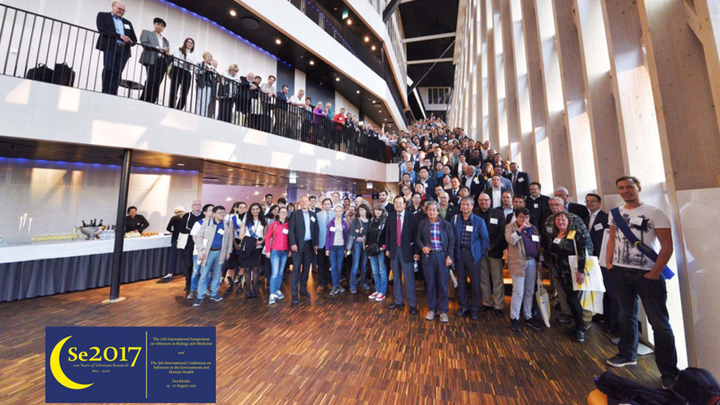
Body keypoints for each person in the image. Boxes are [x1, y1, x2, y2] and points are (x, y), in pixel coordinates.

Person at [605, 176, 679, 389]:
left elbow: (667, 246)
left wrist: (655, 273)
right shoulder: (615, 213)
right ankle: (627, 354)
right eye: (621, 188)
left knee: (659, 324)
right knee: (626, 315)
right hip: (620, 272)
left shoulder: (655, 212)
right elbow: (612, 240)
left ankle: (669, 372)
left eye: (629, 187)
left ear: (638, 188)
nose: (625, 191)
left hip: (647, 274)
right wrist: (610, 263)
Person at [549, 211, 588, 342]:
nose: (560, 222)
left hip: (573, 273)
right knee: (569, 299)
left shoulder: (575, 234)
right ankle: (577, 324)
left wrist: (581, 271)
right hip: (560, 273)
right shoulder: (555, 235)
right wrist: (554, 272)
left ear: (568, 222)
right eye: (558, 219)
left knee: (573, 299)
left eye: (563, 220)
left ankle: (581, 328)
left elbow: (582, 253)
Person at [505, 207, 543, 332]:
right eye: (521, 217)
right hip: (518, 263)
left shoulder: (533, 228)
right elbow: (511, 240)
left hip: (532, 261)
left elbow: (538, 245)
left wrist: (539, 260)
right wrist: (520, 229)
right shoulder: (510, 227)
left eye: (526, 217)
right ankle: (514, 318)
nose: (524, 219)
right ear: (516, 217)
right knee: (518, 291)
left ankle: (528, 316)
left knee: (529, 291)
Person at [416, 201, 455, 323]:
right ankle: (432, 309)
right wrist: (422, 247)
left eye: (434, 210)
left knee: (443, 284)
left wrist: (450, 257)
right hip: (428, 257)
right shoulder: (422, 224)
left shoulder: (446, 224)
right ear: (426, 211)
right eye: (429, 210)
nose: (431, 212)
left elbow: (452, 241)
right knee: (430, 283)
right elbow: (418, 238)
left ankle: (443, 311)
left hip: (442, 256)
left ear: (438, 212)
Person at [452, 196, 490, 320]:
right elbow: (452, 237)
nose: (465, 207)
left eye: (468, 205)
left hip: (473, 255)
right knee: (461, 282)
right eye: (463, 204)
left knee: (475, 283)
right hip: (459, 254)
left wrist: (480, 253)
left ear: (472, 206)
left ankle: (475, 308)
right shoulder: (455, 219)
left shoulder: (479, 221)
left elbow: (485, 239)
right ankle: (463, 306)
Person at [584, 193, 618, 334]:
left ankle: (613, 322)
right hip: (592, 259)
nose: (590, 203)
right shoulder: (586, 218)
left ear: (600, 203)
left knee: (610, 290)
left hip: (604, 259)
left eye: (593, 201)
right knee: (597, 289)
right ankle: (601, 314)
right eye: (587, 201)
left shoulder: (606, 218)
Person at [385, 196, 420, 314]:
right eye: (396, 203)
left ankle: (412, 304)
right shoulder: (390, 217)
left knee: (409, 279)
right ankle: (398, 300)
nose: (398, 205)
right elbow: (388, 234)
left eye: (400, 203)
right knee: (396, 277)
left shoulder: (411, 217)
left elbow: (416, 235)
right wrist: (387, 249)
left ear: (405, 204)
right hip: (394, 251)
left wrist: (416, 252)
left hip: (408, 251)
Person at [193, 206, 234, 307]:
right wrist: (200, 250)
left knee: (217, 274)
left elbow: (229, 239)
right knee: (204, 275)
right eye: (219, 212)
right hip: (208, 253)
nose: (222, 214)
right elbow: (199, 237)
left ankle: (214, 294)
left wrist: (228, 251)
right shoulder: (207, 223)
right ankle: (200, 296)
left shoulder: (227, 224)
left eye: (223, 212)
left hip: (220, 252)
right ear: (214, 214)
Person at [474, 193, 506, 317]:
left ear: (490, 201)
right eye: (481, 200)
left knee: (497, 279)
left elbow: (502, 232)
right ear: (478, 201)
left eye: (486, 200)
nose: (483, 202)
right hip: (480, 251)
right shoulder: (474, 212)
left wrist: (492, 245)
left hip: (494, 250)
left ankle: (499, 305)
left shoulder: (498, 214)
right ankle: (487, 302)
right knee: (483, 279)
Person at [95, 1, 137, 95]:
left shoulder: (127, 22)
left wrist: (130, 41)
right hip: (110, 46)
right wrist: (119, 36)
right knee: (108, 68)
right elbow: (102, 29)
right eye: (119, 9)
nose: (121, 11)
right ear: (112, 7)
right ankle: (105, 91)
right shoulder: (103, 16)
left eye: (123, 10)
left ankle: (113, 93)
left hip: (124, 49)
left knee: (118, 72)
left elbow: (134, 39)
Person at [288, 195, 319, 304]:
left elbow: (315, 230)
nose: (305, 203)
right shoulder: (295, 214)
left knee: (306, 268)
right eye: (302, 201)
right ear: (300, 203)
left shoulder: (313, 215)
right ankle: (294, 294)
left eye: (306, 201)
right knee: (296, 269)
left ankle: (303, 289)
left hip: (309, 245)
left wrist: (316, 243)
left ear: (309, 202)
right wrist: (293, 243)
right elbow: (291, 230)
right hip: (297, 245)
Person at [237, 203, 267, 299]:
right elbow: (241, 236)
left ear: (260, 210)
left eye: (257, 209)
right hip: (247, 248)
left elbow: (265, 235)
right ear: (250, 210)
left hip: (257, 248)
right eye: (253, 209)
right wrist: (251, 242)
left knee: (255, 268)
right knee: (247, 269)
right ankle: (248, 291)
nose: (255, 211)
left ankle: (254, 290)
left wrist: (261, 241)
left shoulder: (264, 221)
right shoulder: (246, 221)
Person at [138, 17, 170, 103]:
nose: (160, 27)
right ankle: (143, 99)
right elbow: (144, 43)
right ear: (154, 24)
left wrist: (167, 53)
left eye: (162, 26)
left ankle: (152, 100)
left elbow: (167, 50)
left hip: (162, 61)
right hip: (151, 58)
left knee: (158, 82)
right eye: (158, 24)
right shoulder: (147, 33)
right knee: (151, 79)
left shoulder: (165, 40)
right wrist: (159, 47)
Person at [265, 206, 290, 305]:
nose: (283, 213)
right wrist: (268, 250)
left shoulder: (288, 225)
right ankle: (271, 293)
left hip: (285, 252)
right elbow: (267, 237)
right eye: (281, 212)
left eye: (285, 212)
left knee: (280, 272)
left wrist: (290, 250)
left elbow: (290, 238)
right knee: (275, 273)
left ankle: (277, 289)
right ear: (278, 213)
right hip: (275, 251)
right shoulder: (274, 224)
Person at [180, 200, 204, 295]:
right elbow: (181, 228)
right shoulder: (187, 216)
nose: (197, 206)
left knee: (201, 265)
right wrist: (194, 232)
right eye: (195, 204)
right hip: (189, 243)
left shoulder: (204, 216)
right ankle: (188, 284)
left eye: (199, 204)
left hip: (201, 243)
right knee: (188, 264)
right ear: (192, 206)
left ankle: (200, 285)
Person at [325, 205, 349, 296]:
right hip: (332, 248)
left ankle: (337, 284)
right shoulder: (330, 223)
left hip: (341, 247)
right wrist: (327, 248)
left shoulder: (344, 223)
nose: (337, 213)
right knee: (333, 267)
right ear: (334, 212)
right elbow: (327, 236)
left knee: (339, 267)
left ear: (342, 212)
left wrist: (345, 248)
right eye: (336, 211)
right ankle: (335, 286)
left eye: (339, 211)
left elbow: (346, 237)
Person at [347, 203, 372, 293]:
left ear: (366, 211)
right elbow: (352, 232)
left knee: (364, 265)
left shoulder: (369, 221)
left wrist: (360, 232)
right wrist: (361, 233)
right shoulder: (356, 220)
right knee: (355, 264)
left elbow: (369, 232)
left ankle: (363, 283)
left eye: (363, 210)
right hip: (356, 244)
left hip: (365, 244)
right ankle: (352, 285)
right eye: (360, 210)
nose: (361, 212)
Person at [367, 204, 388, 302]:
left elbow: (387, 235)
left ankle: (382, 291)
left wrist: (384, 246)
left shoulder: (385, 221)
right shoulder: (372, 220)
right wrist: (367, 244)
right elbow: (368, 234)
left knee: (382, 270)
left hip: (380, 249)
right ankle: (377, 289)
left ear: (382, 211)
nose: (378, 212)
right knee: (374, 270)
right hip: (371, 249)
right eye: (376, 210)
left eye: (380, 210)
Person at [159, 205, 185, 282]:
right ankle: (186, 272)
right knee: (184, 256)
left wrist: (174, 231)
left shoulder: (174, 218)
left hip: (176, 238)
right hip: (184, 238)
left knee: (173, 256)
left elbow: (168, 228)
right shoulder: (186, 217)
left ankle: (170, 273)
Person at [169, 38, 196, 110]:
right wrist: (184, 63)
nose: (190, 44)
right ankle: (171, 106)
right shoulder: (178, 49)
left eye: (192, 43)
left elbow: (192, 67)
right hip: (177, 69)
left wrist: (189, 65)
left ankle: (179, 108)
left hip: (187, 72)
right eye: (189, 42)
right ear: (185, 42)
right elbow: (175, 59)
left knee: (185, 92)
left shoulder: (193, 55)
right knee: (174, 89)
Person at [316, 198, 334, 292]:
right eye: (325, 204)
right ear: (322, 205)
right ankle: (321, 283)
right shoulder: (318, 215)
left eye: (328, 203)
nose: (327, 205)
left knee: (330, 264)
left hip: (331, 243)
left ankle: (329, 282)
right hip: (321, 243)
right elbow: (316, 229)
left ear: (331, 205)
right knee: (321, 264)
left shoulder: (334, 214)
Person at [195, 52, 217, 117]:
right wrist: (205, 70)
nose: (210, 58)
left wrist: (212, 71)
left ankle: (203, 114)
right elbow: (196, 71)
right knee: (200, 99)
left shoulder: (212, 67)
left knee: (207, 101)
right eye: (208, 57)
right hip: (201, 83)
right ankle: (198, 113)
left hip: (209, 85)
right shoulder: (199, 64)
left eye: (211, 57)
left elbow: (215, 76)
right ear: (204, 57)